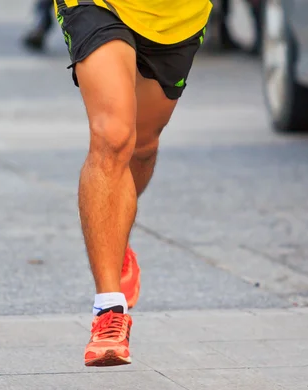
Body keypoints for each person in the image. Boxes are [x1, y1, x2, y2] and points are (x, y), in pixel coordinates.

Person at [53, 0, 212, 367]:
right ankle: (109, 310)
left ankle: (116, 235)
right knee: (114, 136)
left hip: (176, 15)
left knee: (142, 144)